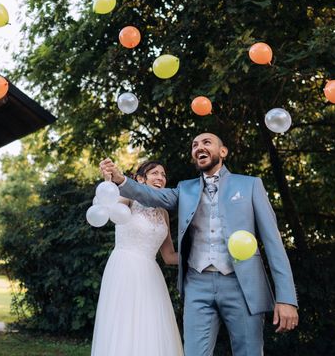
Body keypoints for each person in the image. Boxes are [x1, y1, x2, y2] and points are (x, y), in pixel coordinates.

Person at [100, 133, 299, 356]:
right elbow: (150, 196)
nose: (199, 147)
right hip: (197, 285)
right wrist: (120, 180)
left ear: (222, 152)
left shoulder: (250, 185)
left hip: (242, 285)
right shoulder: (185, 189)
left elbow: (274, 244)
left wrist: (286, 298)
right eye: (194, 144)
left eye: (206, 143)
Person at [91, 161, 183, 356]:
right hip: (125, 268)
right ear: (140, 179)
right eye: (154, 173)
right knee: (125, 324)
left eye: (163, 174)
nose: (160, 177)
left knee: (151, 326)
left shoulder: (164, 213)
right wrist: (108, 182)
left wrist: (197, 255)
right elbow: (107, 209)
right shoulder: (128, 199)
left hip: (151, 275)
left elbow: (169, 256)